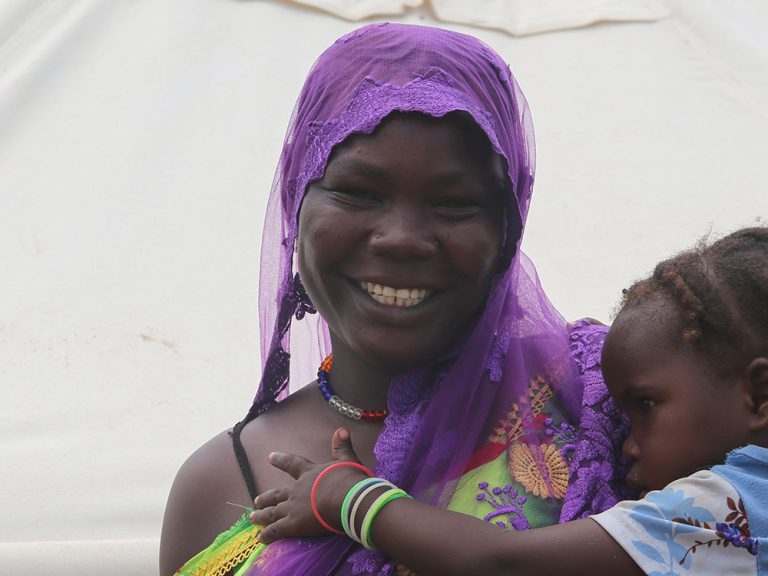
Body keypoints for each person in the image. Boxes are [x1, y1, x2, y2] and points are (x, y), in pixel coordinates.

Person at [160, 23, 632, 576]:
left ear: (507, 228)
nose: (401, 238)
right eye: (358, 192)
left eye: (454, 203)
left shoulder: (608, 403)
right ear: (295, 200)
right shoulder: (219, 484)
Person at [250, 227, 768, 575]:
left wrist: (349, 498)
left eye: (646, 406)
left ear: (760, 394)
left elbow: (500, 562)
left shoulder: (728, 506)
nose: (624, 443)